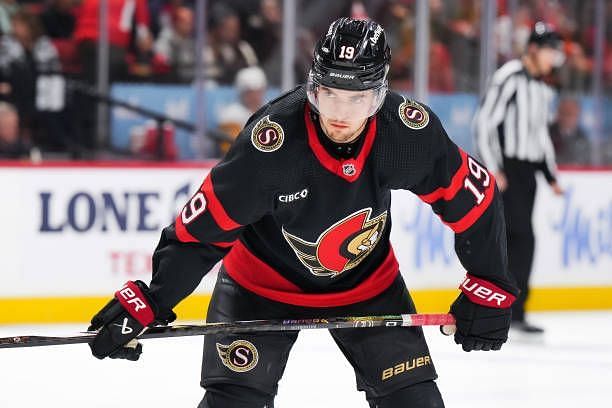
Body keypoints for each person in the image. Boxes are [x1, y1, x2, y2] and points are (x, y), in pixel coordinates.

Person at [88, 18, 518, 408]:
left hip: (366, 286)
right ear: (313, 86)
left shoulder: (406, 134)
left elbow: (475, 198)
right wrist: (152, 298)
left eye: (356, 99)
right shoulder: (271, 145)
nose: (340, 114)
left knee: (416, 404)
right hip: (259, 289)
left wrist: (490, 282)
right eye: (329, 94)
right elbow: (203, 230)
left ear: (380, 94)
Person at [474, 22, 564, 335]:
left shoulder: (542, 87)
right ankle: (503, 309)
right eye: (552, 51)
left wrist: (550, 175)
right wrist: (494, 167)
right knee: (514, 238)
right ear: (535, 50)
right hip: (507, 170)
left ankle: (514, 310)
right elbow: (485, 122)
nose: (555, 58)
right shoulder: (509, 76)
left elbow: (540, 135)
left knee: (522, 239)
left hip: (527, 174)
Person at [217, 66, 268, 154]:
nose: (255, 96)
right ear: (242, 92)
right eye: (250, 92)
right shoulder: (231, 115)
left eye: (258, 91)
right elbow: (228, 149)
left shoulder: (271, 110)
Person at [549, 96, 591, 165]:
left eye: (571, 114)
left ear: (577, 115)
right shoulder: (548, 135)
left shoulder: (582, 138)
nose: (567, 117)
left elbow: (585, 161)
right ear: (558, 113)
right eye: (564, 112)